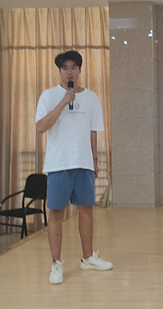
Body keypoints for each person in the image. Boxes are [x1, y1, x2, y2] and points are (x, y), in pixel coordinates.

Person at [36, 50, 113, 285]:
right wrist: (63, 102)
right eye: (65, 68)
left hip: (84, 163)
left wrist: (95, 161)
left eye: (73, 67)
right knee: (56, 213)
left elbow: (93, 132)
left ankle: (88, 258)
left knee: (86, 211)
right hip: (59, 164)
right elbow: (41, 127)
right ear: (60, 71)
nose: (69, 72)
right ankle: (56, 263)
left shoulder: (91, 98)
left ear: (80, 70)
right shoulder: (49, 96)